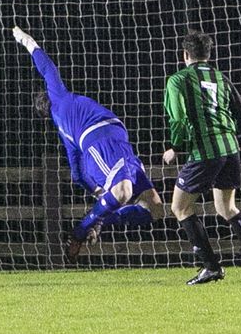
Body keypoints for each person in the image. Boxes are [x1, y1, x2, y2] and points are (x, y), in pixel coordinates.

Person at [12, 26, 164, 259]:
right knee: (124, 193)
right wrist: (27, 41)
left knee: (155, 209)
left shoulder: (66, 132)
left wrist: (98, 193)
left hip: (118, 142)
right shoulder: (59, 99)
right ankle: (83, 228)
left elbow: (77, 173)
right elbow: (48, 69)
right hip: (103, 142)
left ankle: (99, 220)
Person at [163, 31, 241, 285]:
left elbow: (178, 118)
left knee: (179, 207)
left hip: (205, 151)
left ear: (185, 54)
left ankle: (211, 267)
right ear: (208, 55)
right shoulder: (221, 78)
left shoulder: (178, 80)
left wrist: (175, 148)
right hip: (230, 148)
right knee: (227, 208)